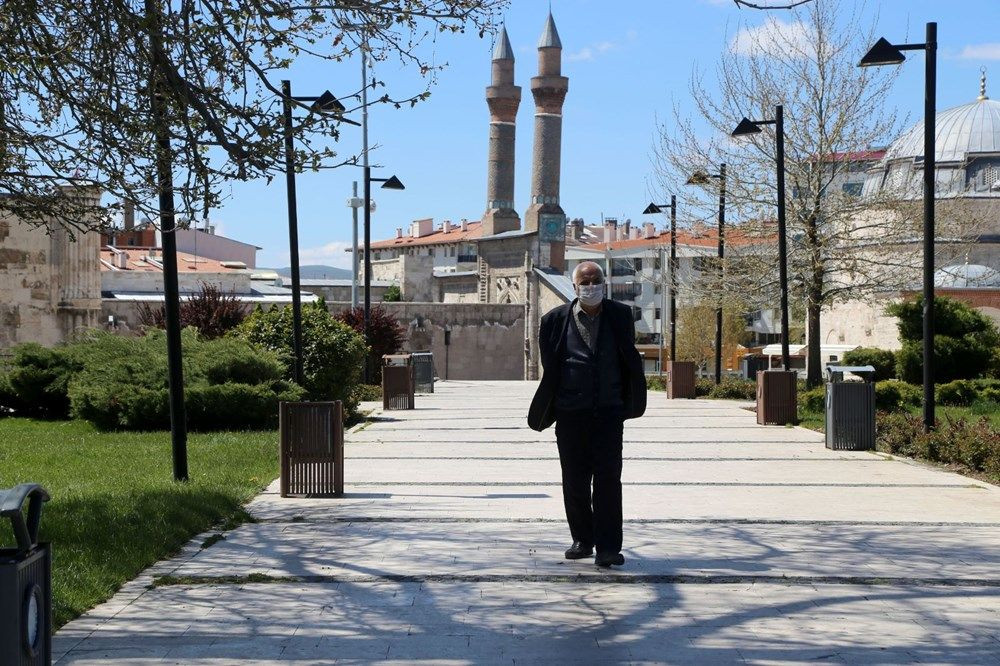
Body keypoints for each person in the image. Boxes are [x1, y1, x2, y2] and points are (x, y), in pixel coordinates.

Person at [527, 261, 647, 567]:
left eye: (596, 280)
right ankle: (582, 539)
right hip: (570, 414)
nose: (590, 286)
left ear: (603, 283)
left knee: (608, 480)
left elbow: (627, 357)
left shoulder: (620, 315)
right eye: (585, 281)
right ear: (574, 285)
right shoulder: (553, 320)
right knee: (575, 480)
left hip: (608, 413)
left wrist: (626, 400)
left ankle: (608, 547)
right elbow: (550, 366)